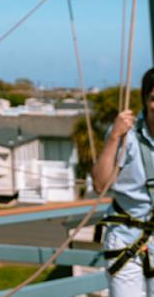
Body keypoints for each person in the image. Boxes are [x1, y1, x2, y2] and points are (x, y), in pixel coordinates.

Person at [92, 67, 154, 297]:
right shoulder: (126, 134)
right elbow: (100, 184)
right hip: (126, 239)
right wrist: (114, 137)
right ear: (145, 101)